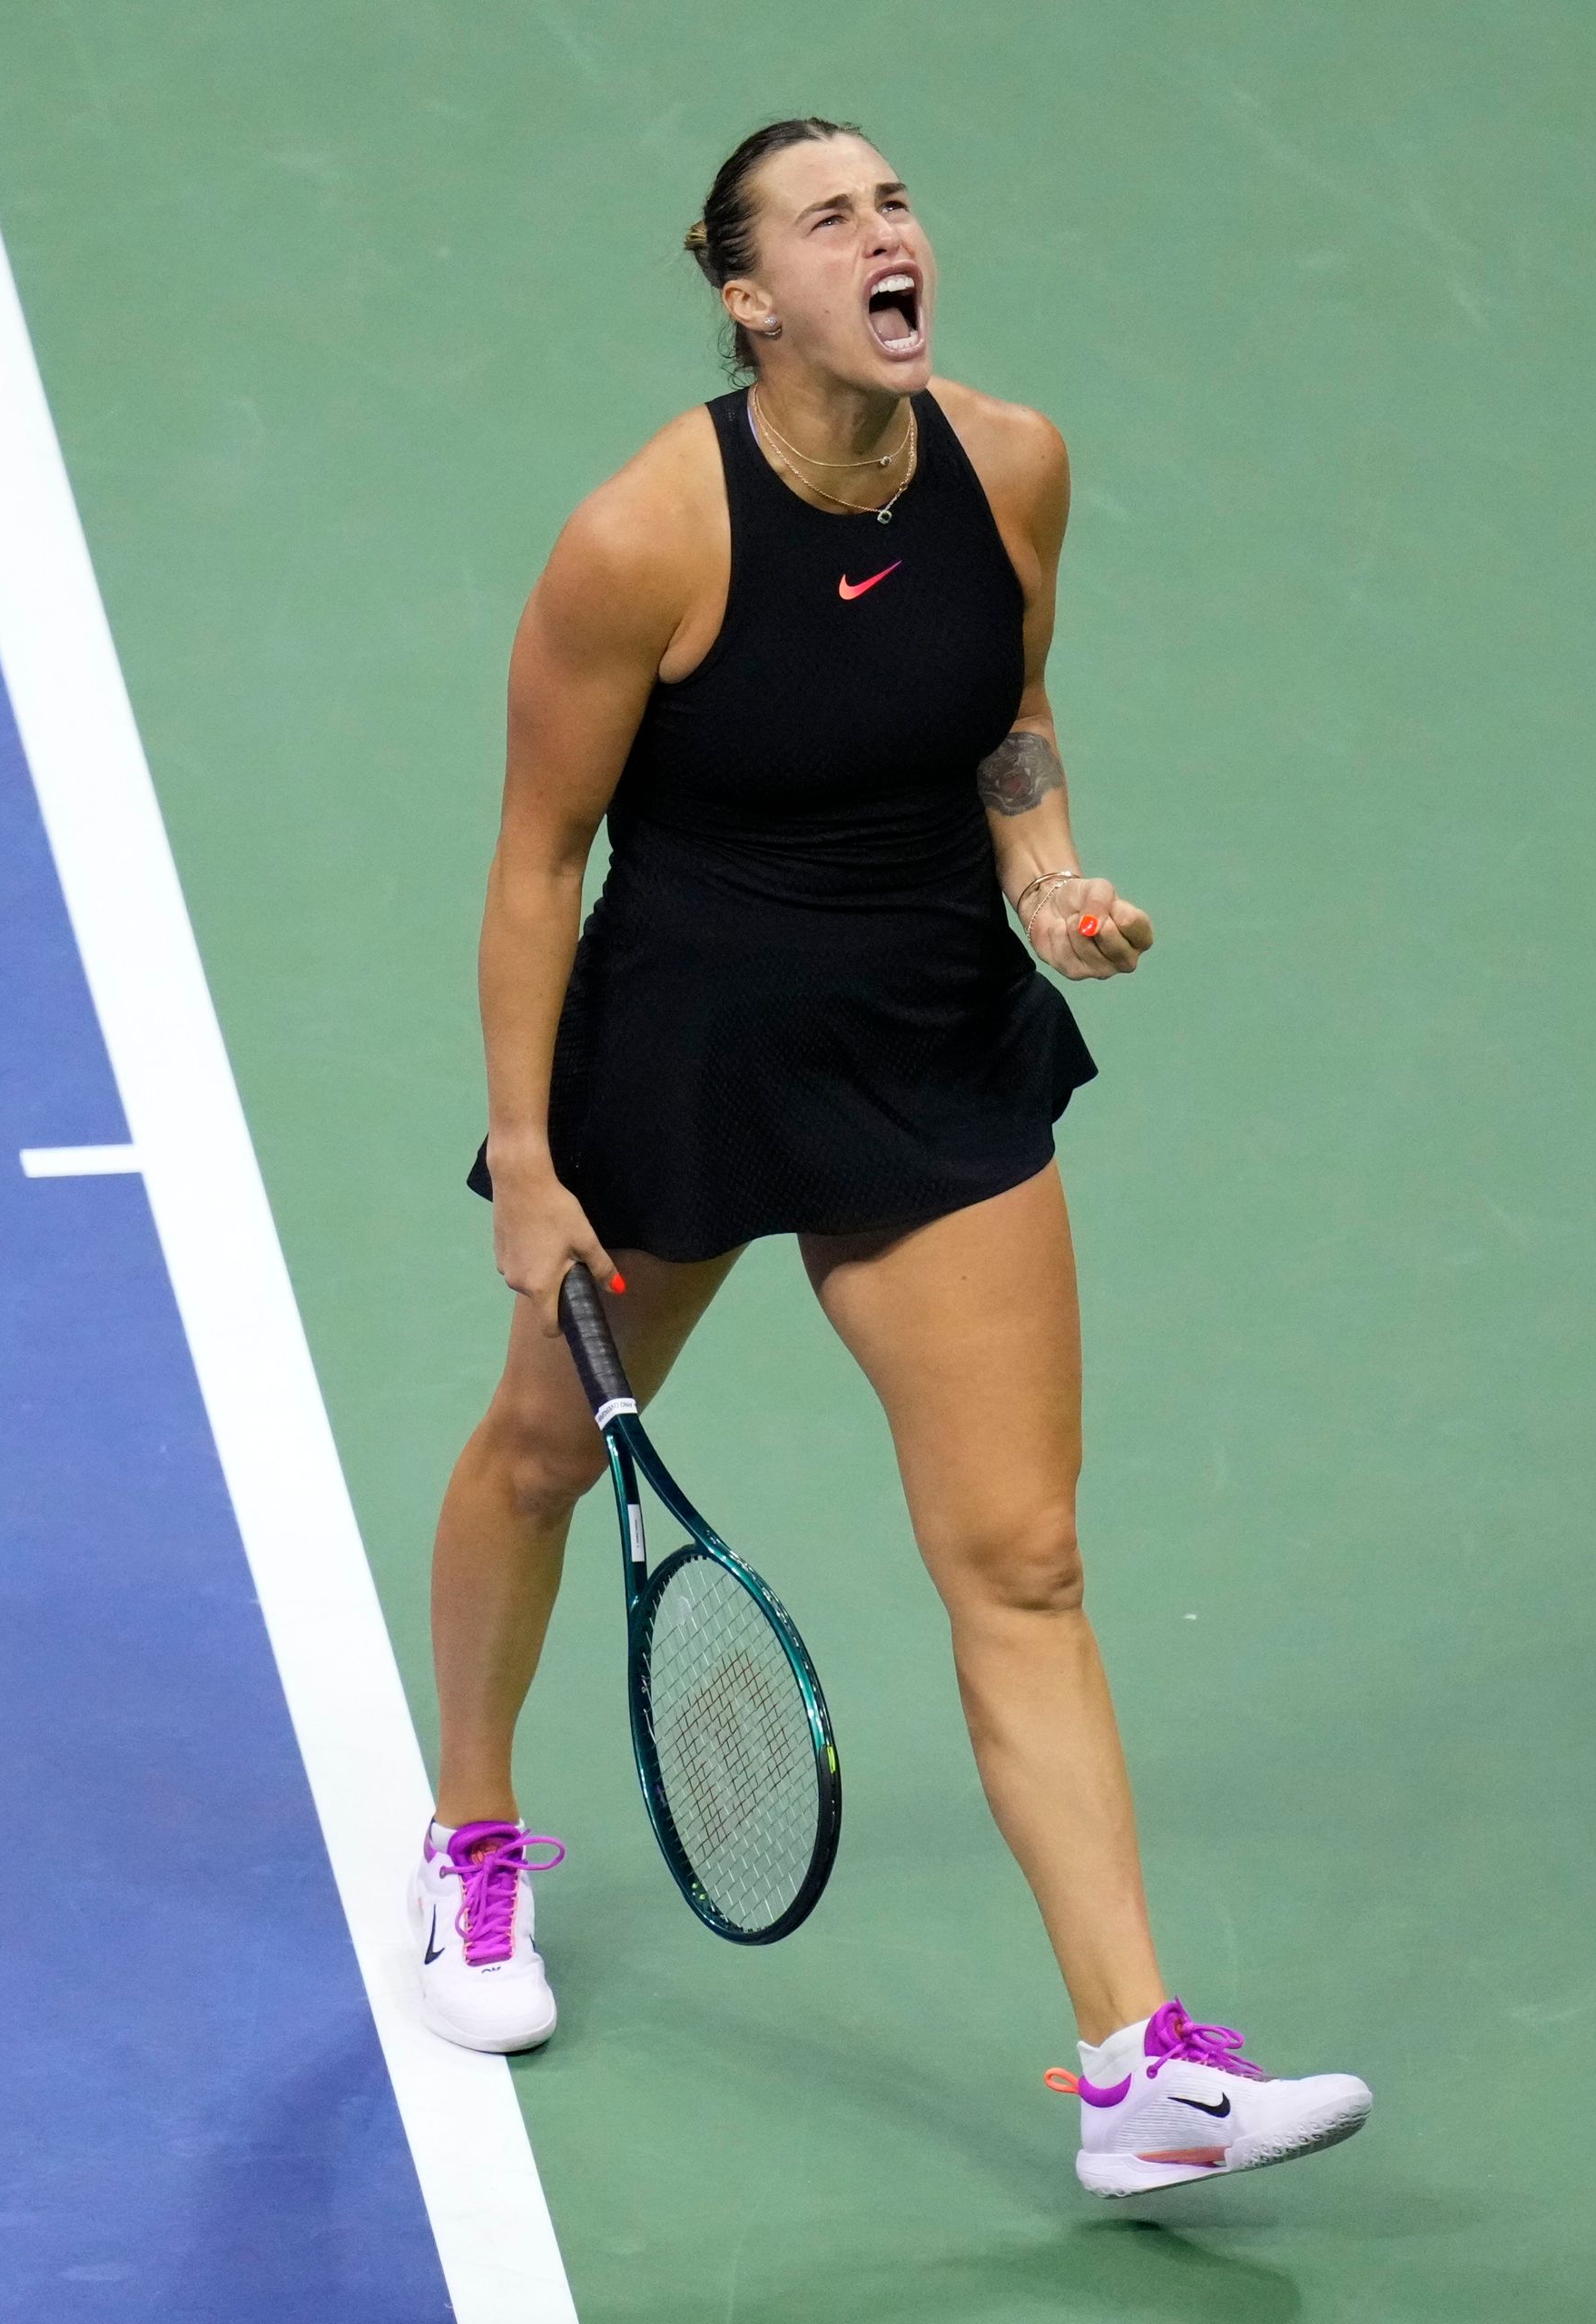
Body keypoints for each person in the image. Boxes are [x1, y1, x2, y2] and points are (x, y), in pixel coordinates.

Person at [402, 116, 1370, 2198]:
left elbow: (1008, 712)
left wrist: (1046, 876)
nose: (888, 232)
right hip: (684, 1055)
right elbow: (532, 858)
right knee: (546, 1454)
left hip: (932, 1037)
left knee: (1024, 1557)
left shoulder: (1011, 465)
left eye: (898, 200)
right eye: (830, 217)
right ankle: (470, 1839)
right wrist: (530, 1156)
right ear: (752, 297)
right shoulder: (642, 537)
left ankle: (1139, 2067)